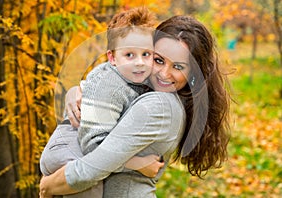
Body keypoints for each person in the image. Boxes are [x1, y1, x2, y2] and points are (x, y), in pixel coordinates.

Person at [39, 15, 230, 198]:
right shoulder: (143, 88)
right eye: (158, 60)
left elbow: (90, 169)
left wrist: (47, 187)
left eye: (178, 67)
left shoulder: (160, 106)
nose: (164, 73)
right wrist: (78, 91)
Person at [39, 7, 165, 198]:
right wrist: (138, 165)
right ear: (112, 58)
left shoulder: (134, 77)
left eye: (146, 54)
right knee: (91, 182)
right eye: (129, 55)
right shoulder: (109, 85)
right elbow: (94, 149)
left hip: (78, 148)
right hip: (69, 150)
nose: (140, 62)